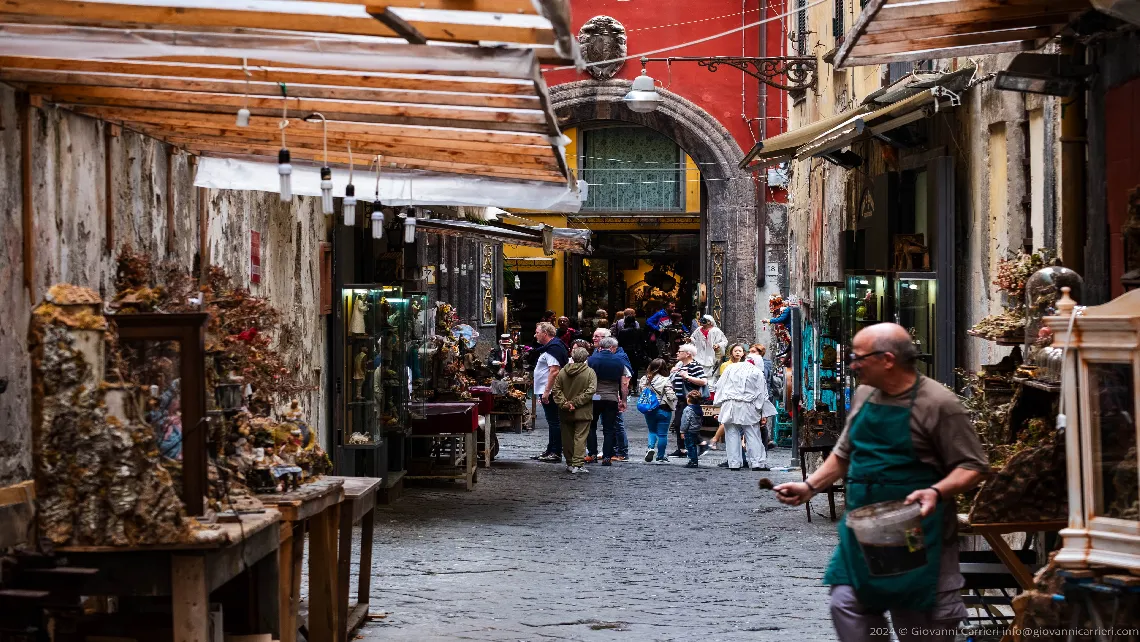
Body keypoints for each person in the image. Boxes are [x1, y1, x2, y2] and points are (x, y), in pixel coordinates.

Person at [774, 323, 988, 642]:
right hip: (862, 529)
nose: (852, 364)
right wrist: (810, 486)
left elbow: (973, 466)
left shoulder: (938, 403)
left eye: (858, 357)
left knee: (917, 621)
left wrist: (936, 491)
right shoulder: (864, 395)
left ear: (887, 359)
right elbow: (845, 452)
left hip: (917, 535)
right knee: (846, 602)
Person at [714, 352, 769, 471]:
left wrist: (719, 404)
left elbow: (719, 386)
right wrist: (762, 412)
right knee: (752, 433)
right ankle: (757, 462)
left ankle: (734, 463)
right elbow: (762, 394)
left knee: (731, 434)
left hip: (730, 404)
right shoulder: (757, 372)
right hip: (748, 406)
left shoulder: (730, 368)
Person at [551, 347, 597, 474]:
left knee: (567, 438)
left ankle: (570, 462)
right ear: (586, 358)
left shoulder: (562, 372)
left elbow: (556, 390)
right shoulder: (589, 372)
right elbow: (590, 391)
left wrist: (565, 404)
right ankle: (578, 463)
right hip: (583, 411)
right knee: (580, 437)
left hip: (565, 411)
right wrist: (575, 403)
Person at [587, 337, 630, 466]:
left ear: (600, 347)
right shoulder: (619, 361)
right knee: (609, 429)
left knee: (591, 426)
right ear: (612, 348)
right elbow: (624, 385)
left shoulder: (591, 360)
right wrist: (623, 401)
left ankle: (592, 454)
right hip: (611, 398)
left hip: (595, 397)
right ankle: (607, 457)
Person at [530, 322, 569, 463]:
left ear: (545, 333)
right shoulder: (551, 347)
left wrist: (547, 391)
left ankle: (556, 451)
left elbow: (554, 371)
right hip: (546, 389)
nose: (536, 335)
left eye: (537, 332)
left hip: (550, 390)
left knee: (554, 421)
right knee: (552, 421)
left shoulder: (554, 348)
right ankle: (550, 449)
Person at [668, 344, 707, 458]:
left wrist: (688, 377)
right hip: (680, 399)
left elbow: (704, 381)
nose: (677, 353)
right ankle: (682, 449)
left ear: (688, 354)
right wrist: (673, 373)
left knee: (683, 423)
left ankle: (700, 443)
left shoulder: (695, 366)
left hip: (690, 400)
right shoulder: (680, 365)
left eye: (680, 351)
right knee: (678, 424)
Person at [707, 344, 747, 451]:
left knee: (737, 420)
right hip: (729, 395)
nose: (738, 352)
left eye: (740, 351)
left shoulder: (745, 365)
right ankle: (715, 439)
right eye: (736, 351)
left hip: (740, 396)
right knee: (728, 419)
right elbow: (723, 381)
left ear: (743, 353)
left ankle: (740, 443)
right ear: (731, 352)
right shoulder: (726, 365)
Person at [638, 358, 676, 464]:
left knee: (652, 431)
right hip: (664, 409)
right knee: (663, 434)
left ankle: (650, 448)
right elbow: (670, 395)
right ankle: (661, 456)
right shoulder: (665, 379)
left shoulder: (644, 379)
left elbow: (641, 392)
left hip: (650, 409)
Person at [751, 343, 780, 449]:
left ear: (760, 353)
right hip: (753, 395)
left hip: (763, 395)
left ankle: (764, 446)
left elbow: (765, 376)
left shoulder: (765, 363)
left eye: (753, 352)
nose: (751, 354)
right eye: (750, 352)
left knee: (761, 422)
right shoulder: (748, 362)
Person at [689, 315, 728, 385]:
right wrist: (690, 340)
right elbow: (693, 338)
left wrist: (718, 345)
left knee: (711, 376)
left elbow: (724, 341)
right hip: (700, 355)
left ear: (709, 322)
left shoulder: (716, 331)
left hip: (711, 355)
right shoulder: (698, 330)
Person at [679, 390, 704, 468]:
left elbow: (685, 421)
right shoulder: (699, 409)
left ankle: (693, 461)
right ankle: (694, 460)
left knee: (690, 446)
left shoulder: (688, 409)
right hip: (696, 429)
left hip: (689, 430)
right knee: (693, 445)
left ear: (688, 399)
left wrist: (682, 431)